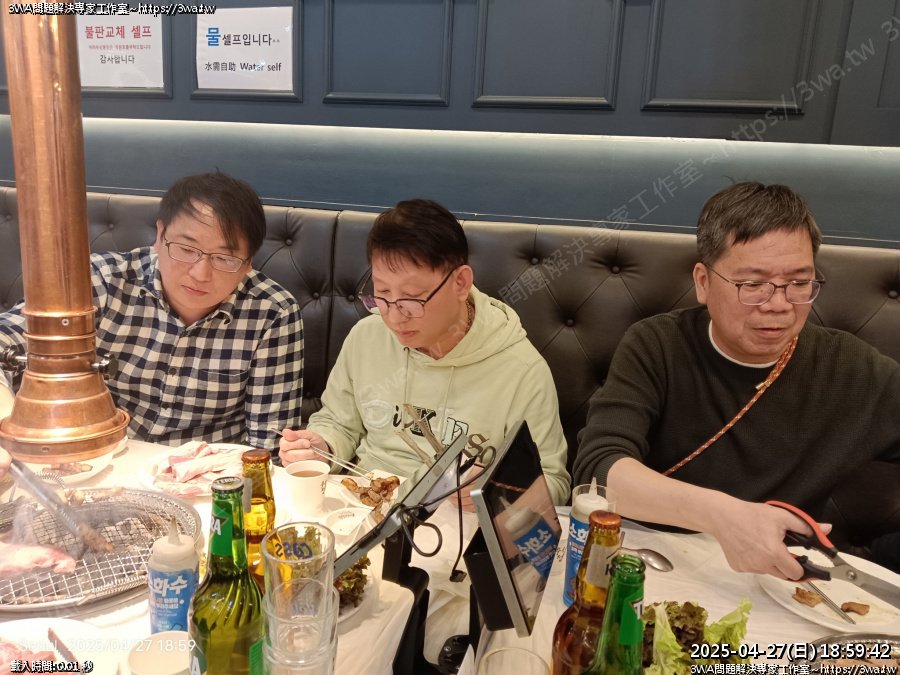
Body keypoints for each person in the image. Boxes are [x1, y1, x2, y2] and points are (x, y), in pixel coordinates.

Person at [573, 182, 900, 580]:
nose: (778, 304)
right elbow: (600, 470)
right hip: (653, 568)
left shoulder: (853, 369)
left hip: (779, 586)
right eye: (753, 284)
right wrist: (723, 516)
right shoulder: (657, 344)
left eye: (799, 283)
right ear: (703, 282)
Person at [278, 198, 570, 505]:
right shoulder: (366, 336)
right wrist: (322, 445)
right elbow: (338, 422)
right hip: (361, 506)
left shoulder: (522, 370)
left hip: (457, 520)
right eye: (382, 293)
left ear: (460, 283)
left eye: (412, 299)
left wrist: (494, 488)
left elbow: (553, 482)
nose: (394, 317)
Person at [0, 172, 303, 452]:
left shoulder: (272, 312)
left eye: (224, 258)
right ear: (160, 235)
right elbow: (5, 339)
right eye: (186, 249)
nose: (200, 273)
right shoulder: (101, 281)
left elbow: (268, 444)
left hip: (204, 473)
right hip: (99, 459)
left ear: (249, 262)